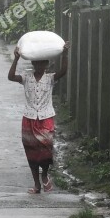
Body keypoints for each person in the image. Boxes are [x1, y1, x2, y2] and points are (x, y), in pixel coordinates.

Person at [8, 42, 70, 194]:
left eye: (42, 63)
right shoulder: (26, 78)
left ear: (46, 65)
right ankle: (36, 184)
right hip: (29, 118)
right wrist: (16, 59)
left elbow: (63, 71)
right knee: (31, 152)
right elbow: (10, 77)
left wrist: (65, 54)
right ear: (33, 64)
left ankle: (44, 175)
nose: (39, 66)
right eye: (37, 63)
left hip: (45, 117)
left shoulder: (50, 78)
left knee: (45, 150)